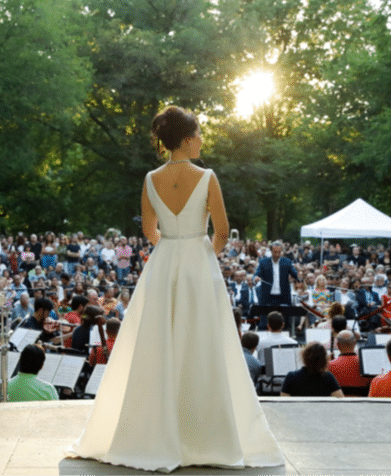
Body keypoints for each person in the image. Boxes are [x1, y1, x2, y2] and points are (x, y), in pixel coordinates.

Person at [66, 106, 282, 471]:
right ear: (185, 139)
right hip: (198, 263)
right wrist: (202, 256)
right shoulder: (208, 176)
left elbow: (149, 231)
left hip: (164, 265)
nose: (201, 142)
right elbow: (224, 231)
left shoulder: (151, 179)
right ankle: (203, 435)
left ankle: (153, 434)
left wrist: (171, 246)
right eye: (198, 135)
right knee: (202, 346)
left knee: (157, 346)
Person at [328, 330, 370, 396]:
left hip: (339, 404)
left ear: (338, 345)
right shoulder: (367, 365)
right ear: (355, 343)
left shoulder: (329, 366)